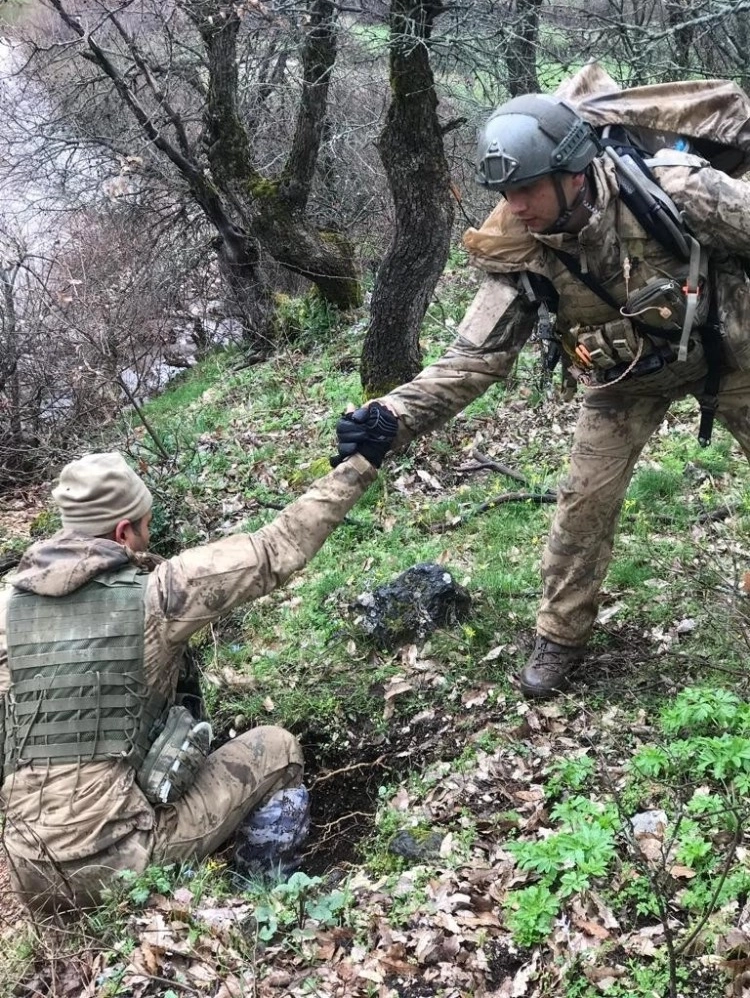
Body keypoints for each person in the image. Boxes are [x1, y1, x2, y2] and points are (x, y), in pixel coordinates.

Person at [335, 93, 750, 699]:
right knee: (581, 509)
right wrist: (389, 417)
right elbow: (474, 359)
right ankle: (560, 636)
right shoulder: (519, 247)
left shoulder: (675, 189)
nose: (515, 205)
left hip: (733, 355)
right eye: (506, 192)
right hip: (624, 383)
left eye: (528, 188)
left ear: (573, 171)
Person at [0, 403, 397, 913]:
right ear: (124, 532)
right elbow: (276, 548)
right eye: (144, 525)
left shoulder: (9, 606)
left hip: (30, 871)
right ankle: (262, 895)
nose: (148, 535)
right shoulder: (157, 595)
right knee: (278, 750)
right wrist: (359, 462)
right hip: (118, 865)